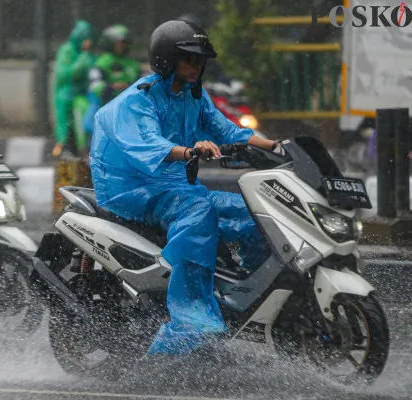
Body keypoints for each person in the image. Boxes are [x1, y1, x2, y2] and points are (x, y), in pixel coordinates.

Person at [89, 20, 280, 356]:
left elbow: (226, 130)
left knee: (252, 210)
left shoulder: (194, 94)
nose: (196, 66)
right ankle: (190, 324)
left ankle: (250, 300)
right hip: (132, 188)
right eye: (189, 60)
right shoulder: (139, 99)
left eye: (199, 61)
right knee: (199, 211)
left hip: (173, 186)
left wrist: (279, 147)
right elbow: (148, 144)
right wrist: (191, 151)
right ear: (166, 60)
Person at [83, 24, 141, 136]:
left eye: (127, 42)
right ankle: (91, 137)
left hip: (128, 103)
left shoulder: (132, 63)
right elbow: (95, 85)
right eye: (121, 43)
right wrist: (111, 88)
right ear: (110, 43)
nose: (125, 46)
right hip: (107, 102)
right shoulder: (103, 62)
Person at [52, 20, 96, 158]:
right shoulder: (67, 50)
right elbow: (63, 74)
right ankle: (63, 145)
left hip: (82, 95)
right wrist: (81, 62)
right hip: (66, 95)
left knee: (84, 123)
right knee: (65, 127)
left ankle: (81, 149)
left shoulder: (87, 54)